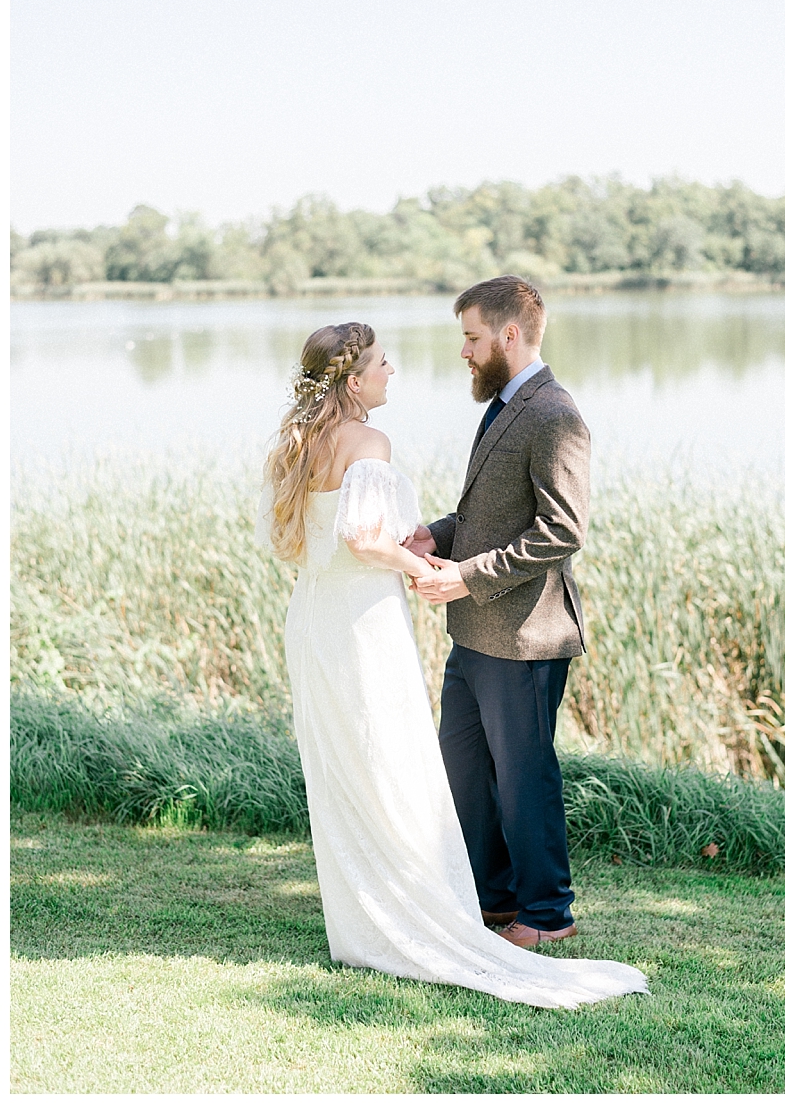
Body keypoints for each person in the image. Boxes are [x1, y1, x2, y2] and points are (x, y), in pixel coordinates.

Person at [255, 319, 646, 1008]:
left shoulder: (304, 441)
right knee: (392, 761)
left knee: (351, 766)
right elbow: (363, 535)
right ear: (353, 380)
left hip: (316, 614)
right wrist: (425, 566)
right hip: (364, 620)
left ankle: (368, 914)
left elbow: (320, 538)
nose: (393, 369)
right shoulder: (369, 440)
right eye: (382, 361)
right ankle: (421, 911)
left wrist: (430, 542)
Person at [407, 276, 589, 948]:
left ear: (509, 336)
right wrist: (437, 536)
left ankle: (547, 914)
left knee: (524, 779)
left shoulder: (555, 414)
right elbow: (491, 514)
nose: (464, 351)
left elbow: (561, 530)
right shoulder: (505, 403)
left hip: (526, 635)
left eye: (472, 337)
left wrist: (465, 576)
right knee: (463, 768)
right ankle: (492, 899)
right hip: (476, 632)